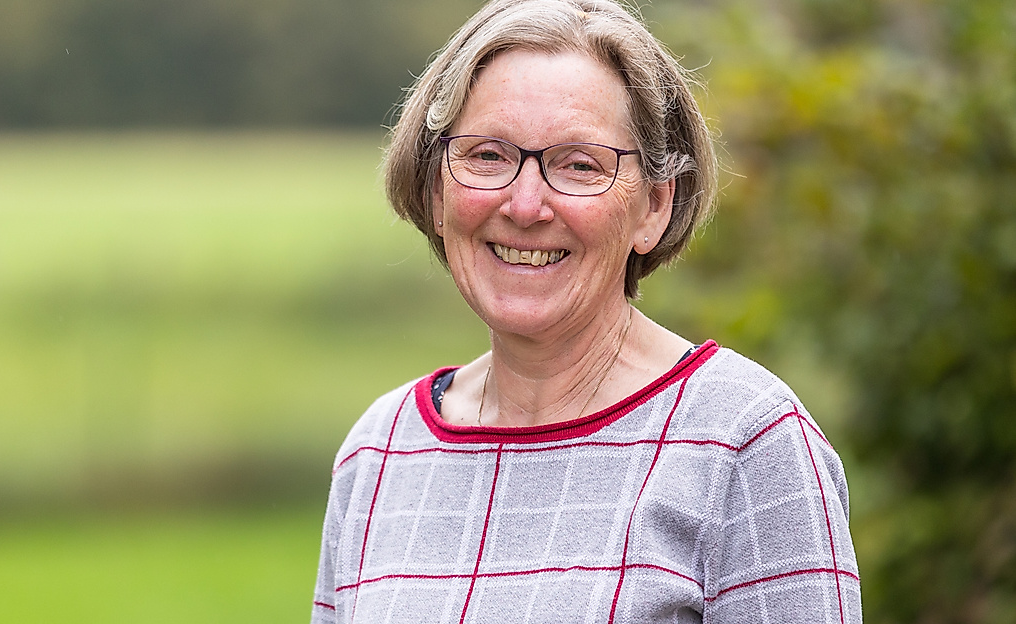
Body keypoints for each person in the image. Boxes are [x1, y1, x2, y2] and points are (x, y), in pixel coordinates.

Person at [311, 0, 861, 622]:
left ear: (653, 207)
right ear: (437, 191)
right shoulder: (380, 451)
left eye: (579, 165)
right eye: (488, 156)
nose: (525, 205)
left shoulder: (745, 442)